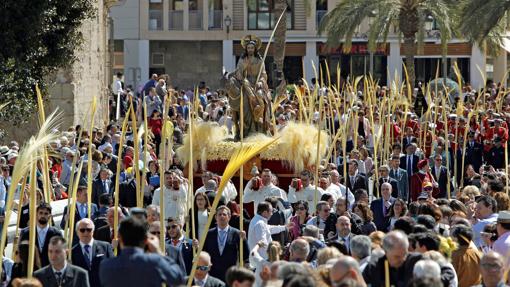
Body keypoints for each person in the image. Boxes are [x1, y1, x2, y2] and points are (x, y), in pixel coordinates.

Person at [99, 217, 184, 287]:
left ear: (119, 238)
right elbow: (178, 278)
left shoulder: (106, 266)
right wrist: (159, 253)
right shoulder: (154, 262)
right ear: (145, 239)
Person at [203, 206, 248, 282]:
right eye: (219, 214)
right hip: (213, 275)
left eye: (224, 214)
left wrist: (244, 240)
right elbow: (204, 252)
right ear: (215, 217)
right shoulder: (209, 234)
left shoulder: (237, 234)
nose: (222, 216)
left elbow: (245, 254)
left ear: (229, 217)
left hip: (230, 275)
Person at [71, 218, 113, 287]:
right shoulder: (72, 252)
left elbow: (113, 269)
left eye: (89, 230)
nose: (86, 232)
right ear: (77, 232)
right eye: (82, 230)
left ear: (93, 231)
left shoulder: (105, 247)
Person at [20, 202, 62, 267]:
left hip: (50, 271)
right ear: (36, 214)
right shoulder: (26, 233)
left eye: (46, 213)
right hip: (31, 272)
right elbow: (21, 256)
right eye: (41, 213)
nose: (43, 216)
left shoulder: (56, 234)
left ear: (50, 216)